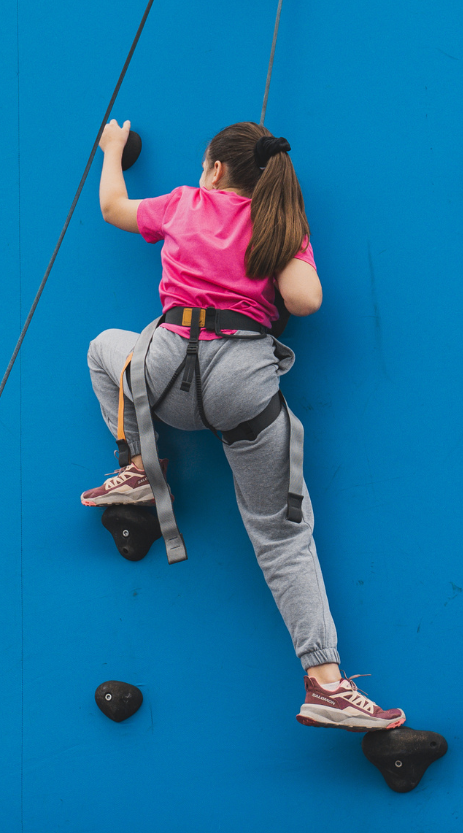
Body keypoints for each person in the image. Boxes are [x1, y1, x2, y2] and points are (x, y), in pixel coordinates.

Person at [80, 119, 405, 732]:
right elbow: (306, 302)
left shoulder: (183, 203)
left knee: (103, 348)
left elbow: (113, 208)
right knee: (282, 539)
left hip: (165, 372)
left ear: (214, 169)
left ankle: (137, 471)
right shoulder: (279, 227)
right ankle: (326, 682)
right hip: (243, 387)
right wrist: (284, 247)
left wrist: (114, 151)